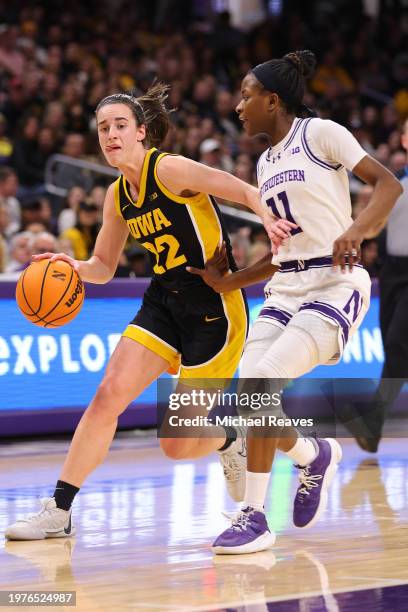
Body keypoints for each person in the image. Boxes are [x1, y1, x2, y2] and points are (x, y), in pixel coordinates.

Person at [5, 82, 274, 541]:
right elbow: (104, 268)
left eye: (119, 126)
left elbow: (242, 191)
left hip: (214, 309)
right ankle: (60, 508)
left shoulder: (170, 170)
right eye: (102, 128)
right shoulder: (116, 196)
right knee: (108, 395)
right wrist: (72, 266)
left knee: (175, 444)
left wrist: (271, 222)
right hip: (164, 302)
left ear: (141, 132)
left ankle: (228, 438)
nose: (110, 135)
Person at [188, 50, 401, 554]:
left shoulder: (322, 134)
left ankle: (255, 516)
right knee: (249, 397)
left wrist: (358, 229)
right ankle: (312, 453)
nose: (238, 105)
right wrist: (231, 281)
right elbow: (285, 251)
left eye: (245, 95)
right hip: (285, 288)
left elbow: (387, 185)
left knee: (259, 386)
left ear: (273, 99)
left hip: (335, 282)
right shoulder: (264, 162)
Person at [348, 118, 408, 452]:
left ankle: (371, 421)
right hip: (393, 274)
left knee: (400, 345)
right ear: (402, 139)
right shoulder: (392, 183)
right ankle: (371, 427)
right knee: (396, 349)